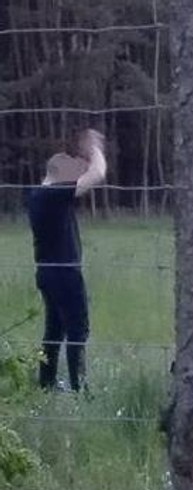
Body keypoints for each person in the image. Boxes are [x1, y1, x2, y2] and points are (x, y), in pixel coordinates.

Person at [26, 129, 107, 392]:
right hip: (64, 273)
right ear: (60, 172)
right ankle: (79, 389)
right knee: (78, 330)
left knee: (54, 331)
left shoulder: (39, 194)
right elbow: (97, 174)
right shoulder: (54, 194)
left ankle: (46, 383)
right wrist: (94, 147)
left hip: (47, 273)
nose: (77, 171)